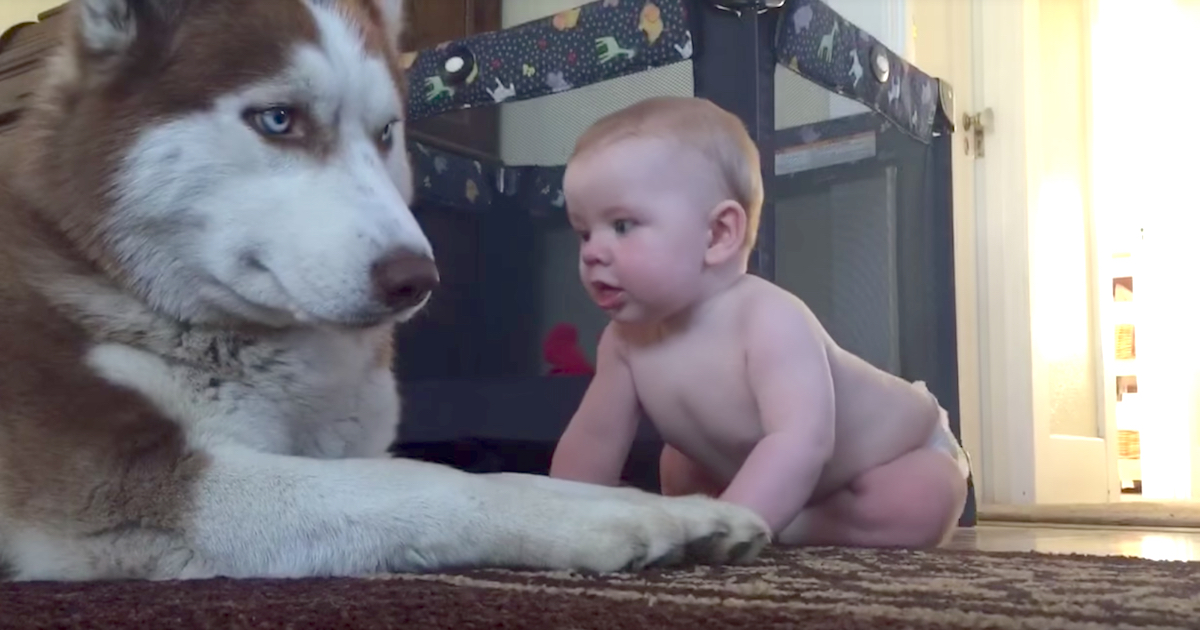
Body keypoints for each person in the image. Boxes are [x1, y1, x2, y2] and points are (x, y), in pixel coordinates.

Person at [547, 95, 971, 548]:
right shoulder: (623, 341)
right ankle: (756, 515)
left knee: (922, 498)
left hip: (891, 456)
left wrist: (725, 525)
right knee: (678, 466)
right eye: (584, 232)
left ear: (717, 234)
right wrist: (559, 516)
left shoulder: (768, 319)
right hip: (748, 469)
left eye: (623, 226)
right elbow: (594, 438)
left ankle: (764, 523)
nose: (592, 252)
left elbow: (801, 442)